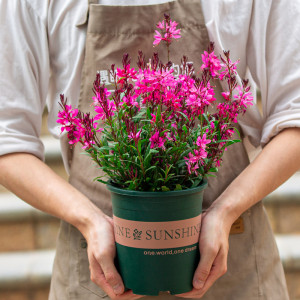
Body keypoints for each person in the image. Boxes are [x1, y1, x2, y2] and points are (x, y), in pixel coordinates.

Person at [0, 0, 300, 299]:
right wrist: (89, 221)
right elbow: (7, 139)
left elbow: (295, 118)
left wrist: (224, 212)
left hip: (234, 257)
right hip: (96, 266)